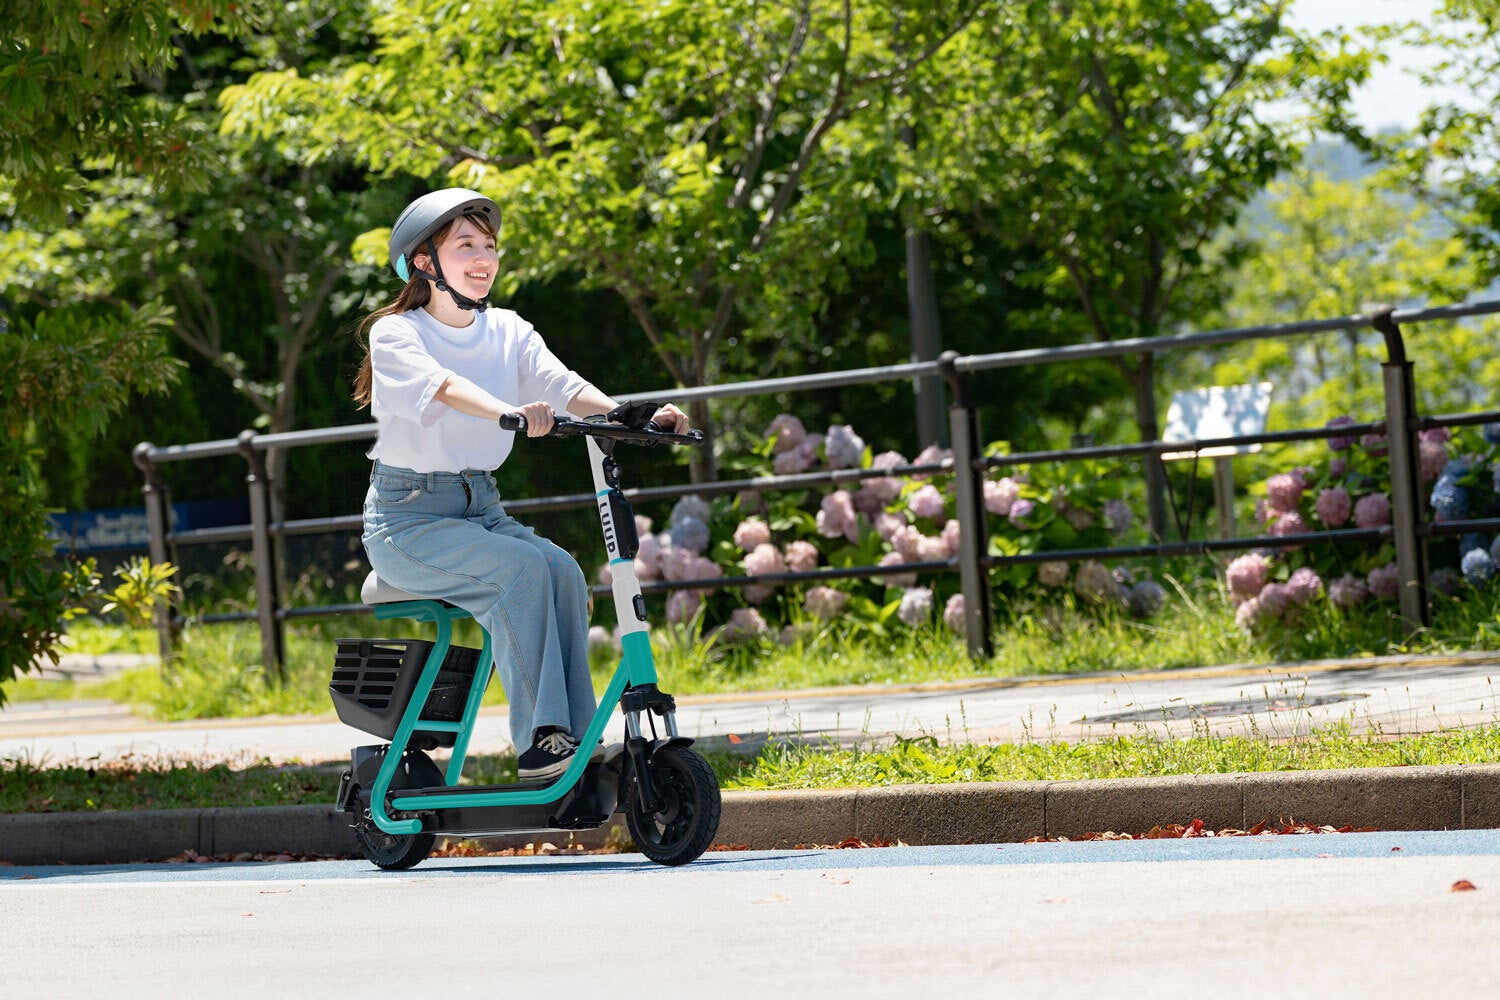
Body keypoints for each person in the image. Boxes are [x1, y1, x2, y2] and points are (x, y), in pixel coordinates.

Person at [353, 188, 688, 780]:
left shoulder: (508, 329)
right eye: (465, 245)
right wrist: (508, 412)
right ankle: (541, 741)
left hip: (480, 510)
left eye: (489, 246)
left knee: (563, 571)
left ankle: (577, 742)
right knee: (523, 571)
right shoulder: (396, 333)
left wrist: (631, 416)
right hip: (407, 522)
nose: (483, 258)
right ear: (424, 261)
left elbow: (564, 386)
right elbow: (444, 387)